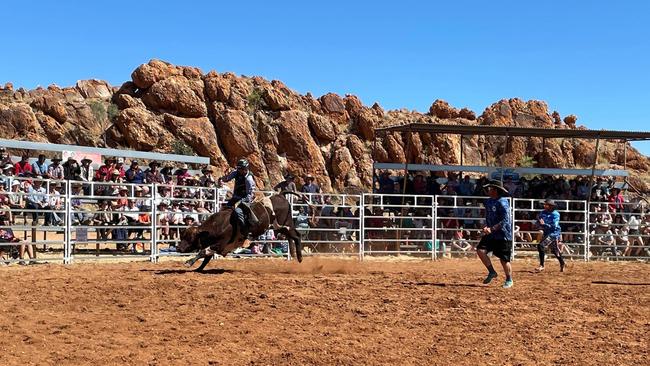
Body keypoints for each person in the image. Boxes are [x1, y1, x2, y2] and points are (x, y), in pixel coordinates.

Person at [476, 180, 514, 288]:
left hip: (503, 235)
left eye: (490, 188)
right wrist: (485, 226)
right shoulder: (488, 202)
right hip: (491, 233)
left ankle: (509, 279)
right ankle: (492, 271)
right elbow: (488, 216)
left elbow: (505, 220)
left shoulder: (502, 202)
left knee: (504, 259)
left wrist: (492, 229)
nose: (488, 190)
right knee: (480, 250)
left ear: (495, 190)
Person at [219, 159, 259, 228]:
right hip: (236, 197)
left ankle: (243, 228)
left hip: (244, 199)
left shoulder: (249, 179)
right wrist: (223, 179)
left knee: (238, 211)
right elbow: (227, 178)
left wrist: (241, 201)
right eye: (239, 168)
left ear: (245, 168)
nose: (239, 170)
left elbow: (250, 194)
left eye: (241, 169)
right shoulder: (236, 172)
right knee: (224, 208)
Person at [535, 199, 566, 272]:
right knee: (554, 251)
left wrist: (544, 224)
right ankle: (562, 263)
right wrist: (538, 223)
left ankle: (542, 265)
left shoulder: (555, 214)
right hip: (547, 232)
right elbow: (539, 220)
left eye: (546, 205)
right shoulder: (543, 212)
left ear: (551, 206)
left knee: (541, 245)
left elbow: (554, 226)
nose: (544, 206)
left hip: (553, 233)